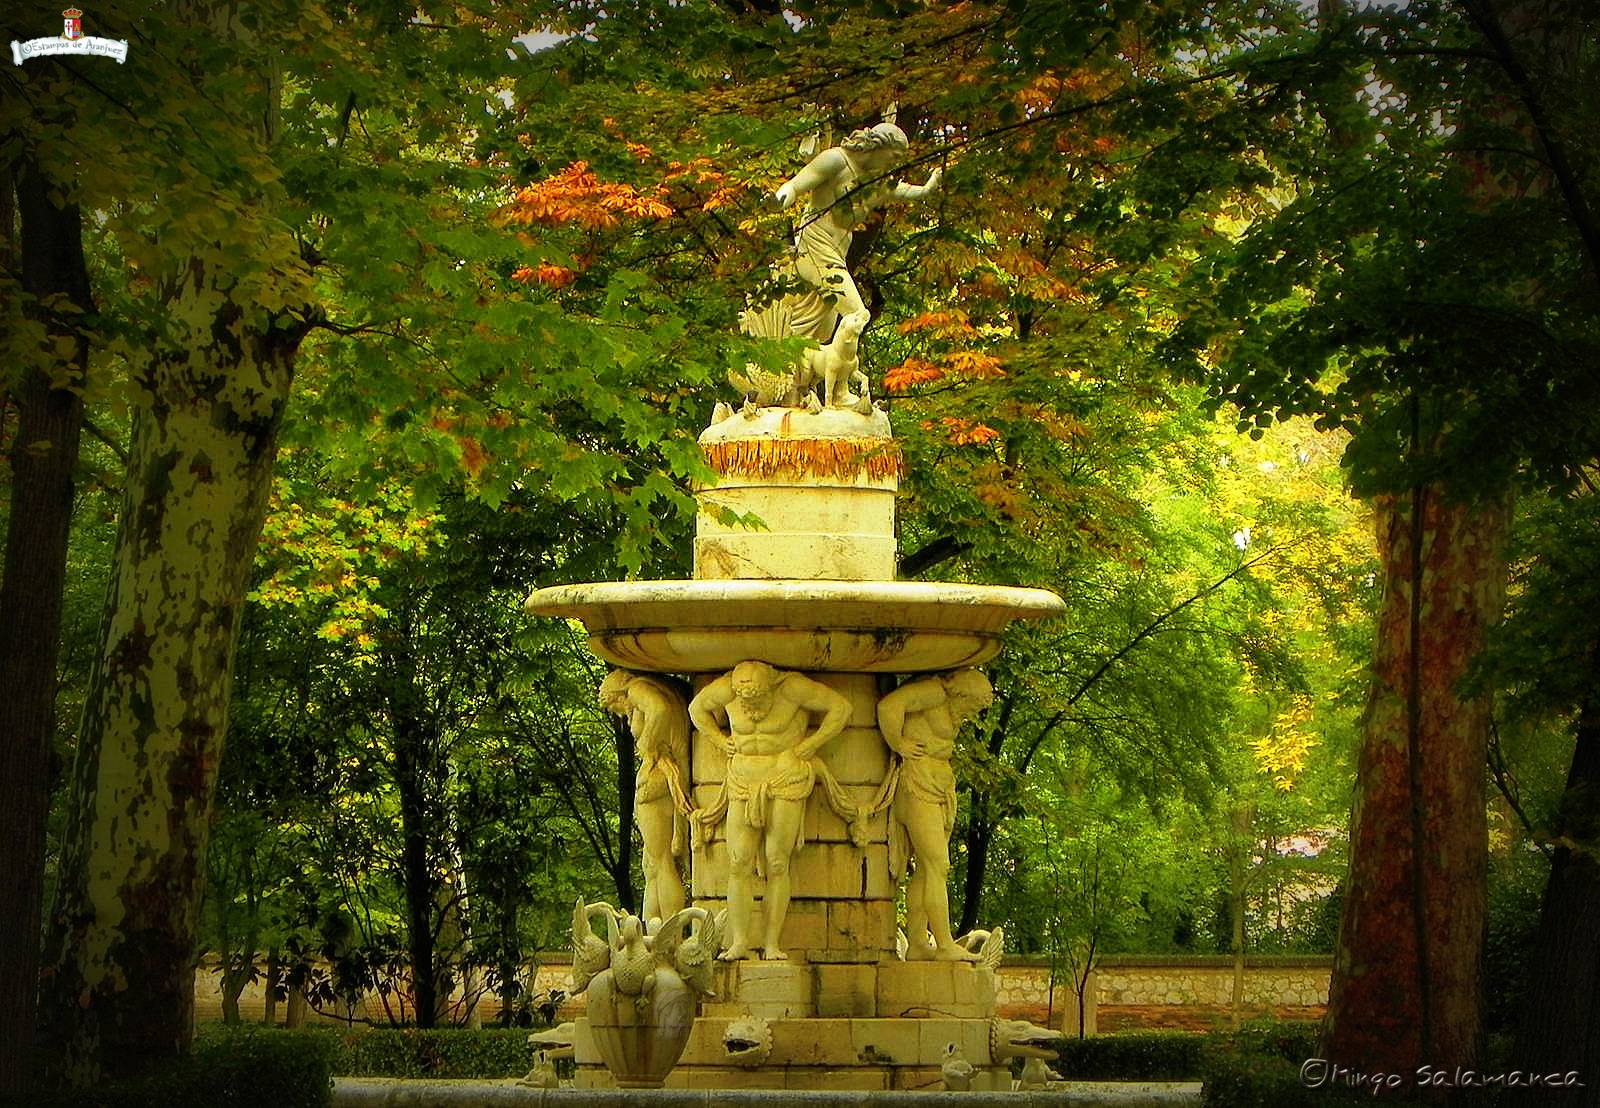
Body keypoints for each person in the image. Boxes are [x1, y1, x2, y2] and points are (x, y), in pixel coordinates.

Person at [688, 661, 851, 960]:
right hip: (742, 780)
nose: (749, 705)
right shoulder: (727, 690)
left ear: (769, 687)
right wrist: (718, 739)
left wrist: (813, 743)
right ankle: (739, 942)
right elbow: (696, 709)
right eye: (743, 699)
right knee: (738, 862)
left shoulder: (792, 688)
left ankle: (772, 943)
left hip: (785, 777)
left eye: (756, 698)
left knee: (777, 862)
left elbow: (840, 708)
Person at [742, 119, 942, 350]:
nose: (894, 164)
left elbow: (902, 190)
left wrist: (928, 188)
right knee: (857, 315)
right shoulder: (836, 160)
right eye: (894, 156)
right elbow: (795, 185)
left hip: (837, 256)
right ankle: (838, 382)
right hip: (816, 248)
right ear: (879, 146)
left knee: (821, 331)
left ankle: (791, 372)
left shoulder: (875, 181)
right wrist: (779, 202)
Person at [876, 669, 994, 961]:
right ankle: (944, 944)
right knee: (937, 865)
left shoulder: (949, 706)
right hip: (918, 783)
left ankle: (918, 943)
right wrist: (898, 743)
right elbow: (889, 706)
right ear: (963, 693)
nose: (972, 714)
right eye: (973, 705)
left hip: (938, 782)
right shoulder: (935, 691)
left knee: (927, 870)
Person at [599, 670, 692, 923]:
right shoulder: (666, 689)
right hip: (666, 774)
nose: (622, 715)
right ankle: (654, 929)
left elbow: (658, 709)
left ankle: (667, 935)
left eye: (615, 706)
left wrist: (647, 745)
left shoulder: (637, 688)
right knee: (652, 865)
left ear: (618, 693)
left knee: (661, 862)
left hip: (658, 775)